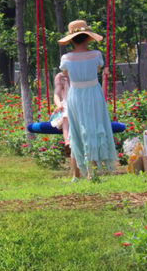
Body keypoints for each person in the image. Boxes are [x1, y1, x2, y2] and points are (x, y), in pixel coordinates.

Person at [58, 20, 117, 179]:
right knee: (94, 128)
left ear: (71, 39)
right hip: (93, 94)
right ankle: (93, 171)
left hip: (76, 95)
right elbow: (97, 69)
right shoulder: (96, 55)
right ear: (87, 38)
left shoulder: (66, 58)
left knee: (76, 130)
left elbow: (68, 76)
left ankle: (77, 174)